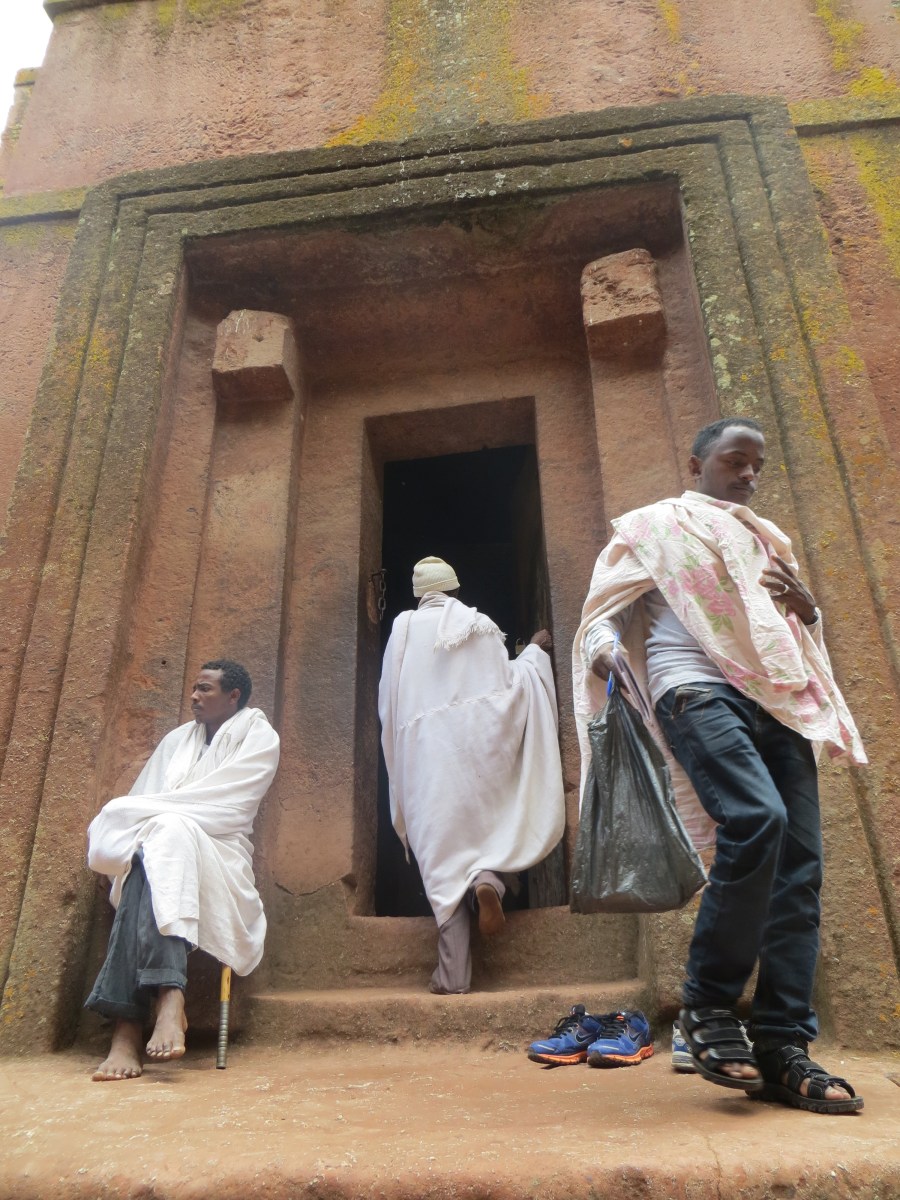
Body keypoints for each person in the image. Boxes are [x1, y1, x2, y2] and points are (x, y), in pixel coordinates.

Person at [573, 418, 866, 1114]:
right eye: (736, 460)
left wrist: (808, 611)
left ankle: (783, 1046)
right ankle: (707, 1008)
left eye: (756, 464)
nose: (748, 475)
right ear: (696, 462)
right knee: (757, 818)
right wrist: (602, 651)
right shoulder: (652, 528)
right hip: (693, 688)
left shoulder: (766, 539)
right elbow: (602, 615)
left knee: (800, 866)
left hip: (775, 698)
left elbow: (786, 631)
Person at [85, 659, 280, 1081]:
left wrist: (161, 819)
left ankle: (126, 1029)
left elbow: (231, 809)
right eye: (193, 688)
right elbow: (146, 801)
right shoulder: (177, 741)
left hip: (221, 851)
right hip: (162, 847)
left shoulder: (259, 736)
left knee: (162, 837)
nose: (194, 696)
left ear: (234, 696)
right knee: (157, 845)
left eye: (205, 689)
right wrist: (159, 822)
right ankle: (170, 995)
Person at [379, 556, 565, 994]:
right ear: (456, 590)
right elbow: (510, 687)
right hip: (478, 753)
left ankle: (453, 976)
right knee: (489, 834)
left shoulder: (402, 629)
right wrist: (534, 652)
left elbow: (389, 703)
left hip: (426, 759)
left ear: (419, 596)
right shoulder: (478, 625)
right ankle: (488, 883)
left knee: (441, 860)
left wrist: (399, 753)